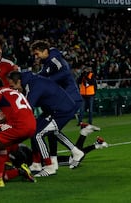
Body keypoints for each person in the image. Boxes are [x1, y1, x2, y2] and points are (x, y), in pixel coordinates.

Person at [29, 40, 87, 170]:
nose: (35, 57)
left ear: (45, 51)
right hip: (60, 102)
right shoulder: (47, 63)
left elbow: (66, 72)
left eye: (37, 54)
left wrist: (46, 81)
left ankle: (70, 154)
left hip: (70, 100)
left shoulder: (54, 59)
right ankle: (55, 160)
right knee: (49, 130)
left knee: (48, 130)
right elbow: (40, 78)